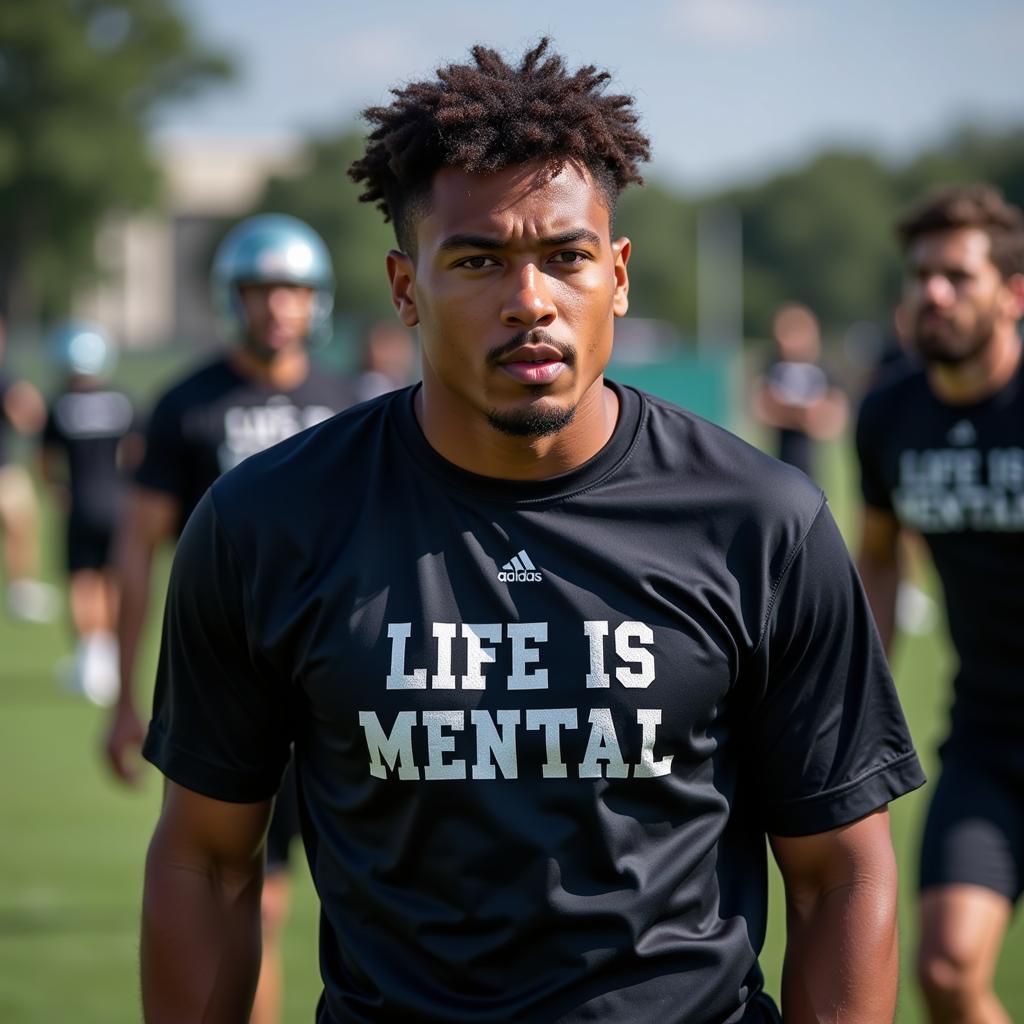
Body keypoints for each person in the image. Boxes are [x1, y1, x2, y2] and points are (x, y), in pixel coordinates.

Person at [140, 41, 924, 1024]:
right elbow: (207, 860)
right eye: (477, 260)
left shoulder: (760, 521)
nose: (529, 300)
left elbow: (840, 872)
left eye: (566, 256)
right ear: (403, 286)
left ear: (618, 275)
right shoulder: (267, 521)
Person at [106, 213, 355, 1024]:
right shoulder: (187, 405)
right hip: (237, 681)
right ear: (231, 298)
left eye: (292, 289)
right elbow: (138, 549)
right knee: (252, 893)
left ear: (316, 300)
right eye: (260, 289)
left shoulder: (348, 402)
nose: (277, 306)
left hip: (347, 678)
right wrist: (121, 695)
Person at [856, 184, 1024, 1024]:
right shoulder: (890, 414)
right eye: (921, 274)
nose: (934, 293)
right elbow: (880, 557)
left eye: (958, 275)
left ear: (1014, 293)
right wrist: (862, 695)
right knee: (948, 968)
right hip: (991, 739)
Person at [39, 321, 140, 704]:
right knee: (114, 576)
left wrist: (56, 491)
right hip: (117, 502)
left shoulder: (61, 405)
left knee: (82, 579)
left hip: (80, 502)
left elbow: (45, 461)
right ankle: (110, 659)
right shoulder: (122, 401)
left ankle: (89, 660)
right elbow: (137, 453)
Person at [0, 315, 59, 623]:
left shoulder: (6, 377)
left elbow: (27, 416)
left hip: (4, 469)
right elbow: (28, 415)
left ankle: (22, 591)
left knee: (22, 526)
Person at [751, 302, 848, 483]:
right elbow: (761, 409)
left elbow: (835, 421)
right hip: (776, 465)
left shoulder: (823, 368)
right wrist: (795, 414)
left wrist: (806, 416)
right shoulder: (772, 365)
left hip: (813, 470)